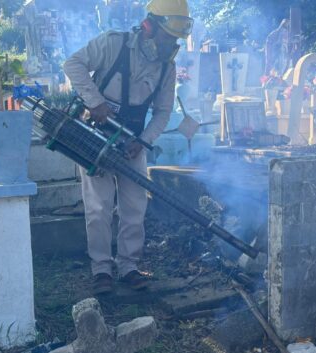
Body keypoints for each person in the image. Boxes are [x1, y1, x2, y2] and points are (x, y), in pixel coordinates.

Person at [64, 0, 193, 294]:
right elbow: (73, 64)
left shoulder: (167, 68)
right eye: (167, 36)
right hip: (94, 135)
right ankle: (101, 270)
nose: (170, 44)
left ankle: (128, 266)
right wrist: (94, 101)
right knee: (99, 206)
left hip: (133, 141)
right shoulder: (113, 44)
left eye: (175, 39)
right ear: (149, 26)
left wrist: (144, 141)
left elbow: (162, 112)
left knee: (135, 205)